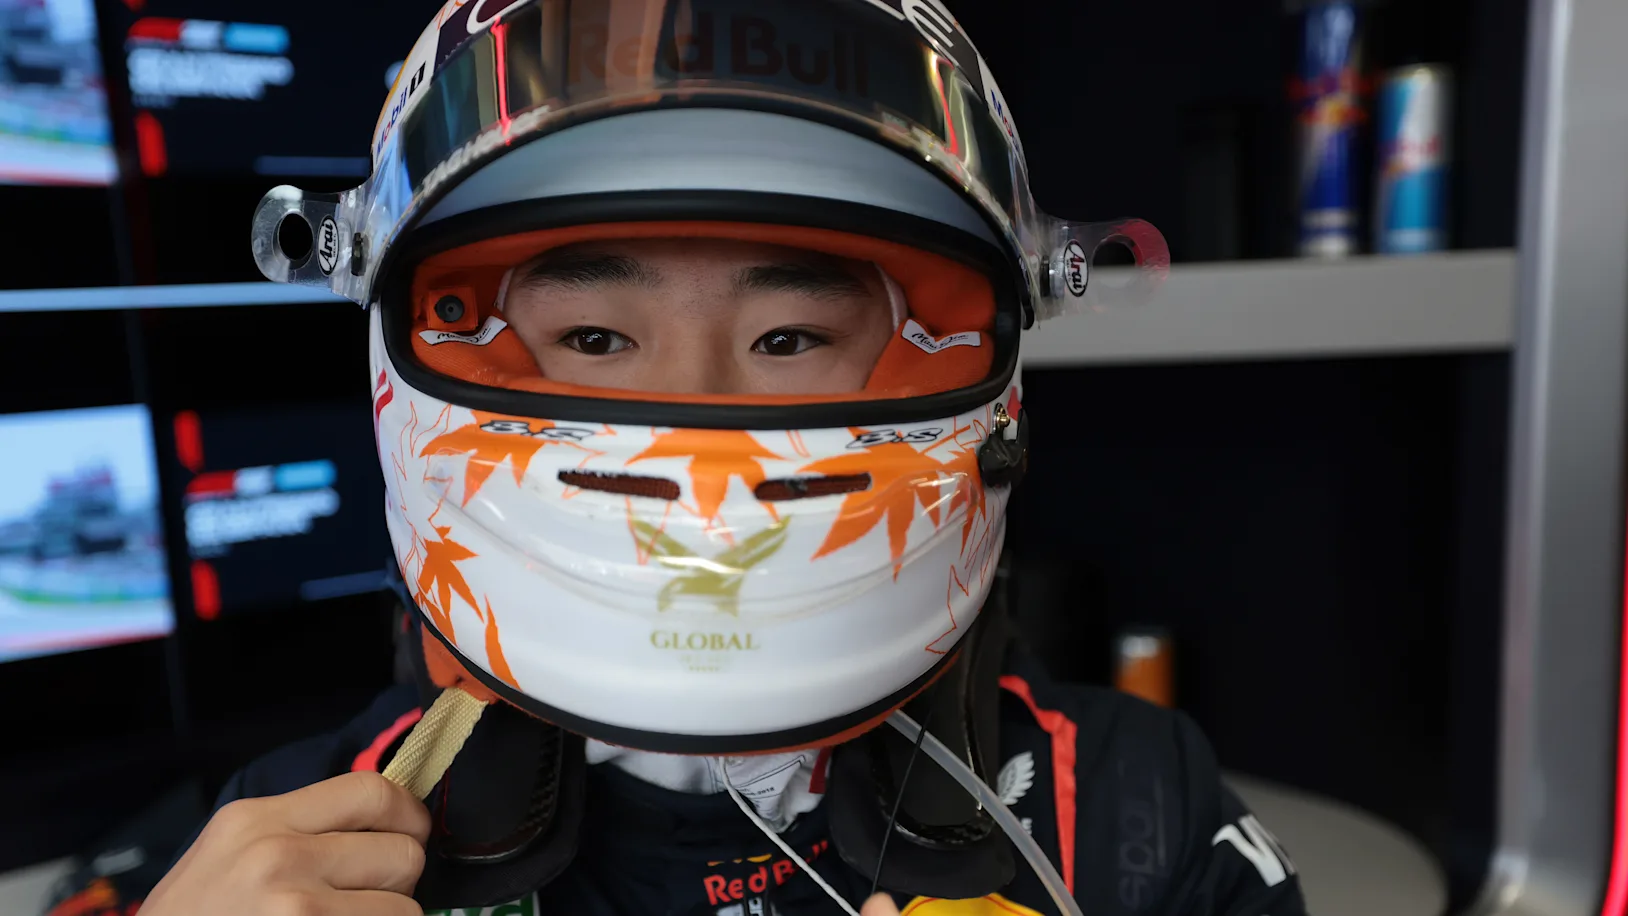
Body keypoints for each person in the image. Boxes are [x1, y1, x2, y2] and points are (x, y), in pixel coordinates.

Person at [140, 2, 1310, 915]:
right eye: (596, 339)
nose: (696, 429)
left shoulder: (1128, 808)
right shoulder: (294, 840)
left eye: (786, 339)